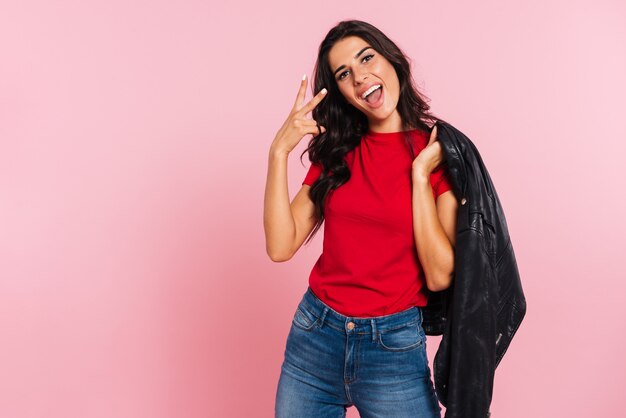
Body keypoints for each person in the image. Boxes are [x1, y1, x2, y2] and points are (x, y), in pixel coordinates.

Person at [264, 19, 459, 418]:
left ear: (392, 59)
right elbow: (280, 246)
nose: (360, 77)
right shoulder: (338, 152)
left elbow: (440, 275)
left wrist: (420, 176)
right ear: (341, 92)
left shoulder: (438, 152)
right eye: (343, 73)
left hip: (393, 347)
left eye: (366, 57)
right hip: (315, 336)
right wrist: (278, 153)